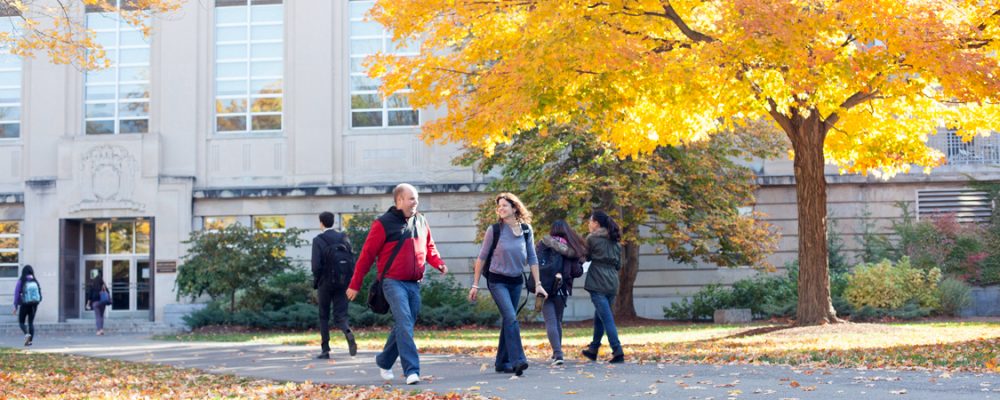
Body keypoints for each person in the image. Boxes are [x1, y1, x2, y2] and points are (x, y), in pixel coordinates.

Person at [346, 183, 448, 385]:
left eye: (416, 199)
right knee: (404, 321)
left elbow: (429, 247)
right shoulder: (383, 224)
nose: (415, 202)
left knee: (406, 323)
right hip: (392, 282)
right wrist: (355, 284)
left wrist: (439, 264)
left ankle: (384, 360)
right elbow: (366, 256)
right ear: (399, 200)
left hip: (413, 283)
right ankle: (412, 370)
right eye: (411, 199)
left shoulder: (421, 220)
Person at [468, 193, 547, 376]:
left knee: (508, 320)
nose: (501, 208)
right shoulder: (494, 230)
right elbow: (481, 258)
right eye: (499, 206)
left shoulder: (526, 230)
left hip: (516, 281)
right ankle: (518, 360)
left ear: (514, 208)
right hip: (497, 281)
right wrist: (475, 284)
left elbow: (532, 258)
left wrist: (538, 284)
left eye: (505, 205)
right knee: (511, 317)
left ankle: (501, 362)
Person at [535, 220, 586, 366]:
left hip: (543, 287)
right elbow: (576, 272)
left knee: (550, 321)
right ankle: (557, 354)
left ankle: (557, 354)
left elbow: (534, 262)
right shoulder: (571, 249)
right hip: (562, 288)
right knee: (557, 321)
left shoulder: (542, 244)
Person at [311, 211, 357, 359]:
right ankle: (347, 331)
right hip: (343, 281)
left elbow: (316, 266)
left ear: (321, 223)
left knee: (324, 315)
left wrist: (317, 281)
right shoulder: (343, 237)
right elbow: (351, 259)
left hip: (325, 282)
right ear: (333, 222)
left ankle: (325, 350)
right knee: (340, 315)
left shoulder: (318, 239)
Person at [581, 210, 625, 364]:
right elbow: (619, 265)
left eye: (590, 221)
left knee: (606, 318)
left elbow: (584, 257)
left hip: (597, 282)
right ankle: (593, 349)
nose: (588, 224)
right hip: (613, 283)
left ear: (596, 223)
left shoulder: (592, 239)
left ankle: (617, 350)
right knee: (600, 316)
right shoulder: (616, 242)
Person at [12, 265, 42, 346]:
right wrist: (37, 303)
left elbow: (16, 294)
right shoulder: (35, 281)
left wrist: (15, 306)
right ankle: (30, 341)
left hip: (24, 304)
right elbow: (39, 293)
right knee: (30, 323)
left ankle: (26, 333)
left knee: (21, 322)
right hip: (34, 305)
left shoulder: (21, 281)